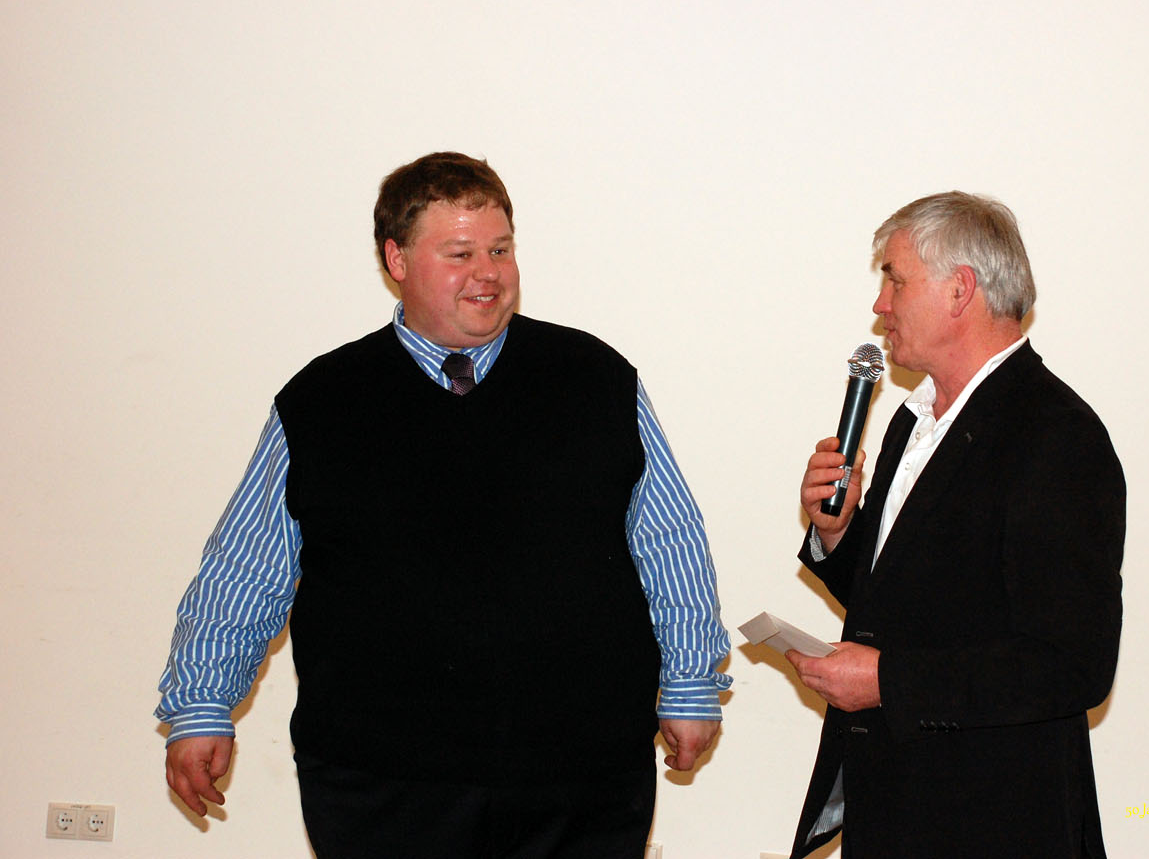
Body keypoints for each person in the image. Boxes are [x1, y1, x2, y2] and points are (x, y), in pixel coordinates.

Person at [156, 151, 731, 858]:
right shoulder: (323, 401)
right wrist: (202, 705)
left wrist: (690, 684)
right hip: (382, 784)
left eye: (500, 250)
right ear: (396, 259)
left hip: (579, 777)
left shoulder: (596, 380)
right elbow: (247, 570)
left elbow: (670, 542)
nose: (488, 273)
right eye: (461, 254)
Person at [786, 192, 1124, 858]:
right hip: (895, 809)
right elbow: (909, 604)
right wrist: (837, 534)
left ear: (959, 289)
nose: (880, 305)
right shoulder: (913, 421)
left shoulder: (1056, 437)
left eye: (895, 280)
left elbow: (1072, 664)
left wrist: (887, 682)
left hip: (994, 821)